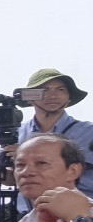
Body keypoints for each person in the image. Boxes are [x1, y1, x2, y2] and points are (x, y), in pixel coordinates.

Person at [9, 68, 93, 205]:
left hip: (76, 210)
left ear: (69, 97)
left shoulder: (88, 132)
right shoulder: (18, 132)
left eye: (61, 90)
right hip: (26, 212)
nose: (53, 96)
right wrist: (10, 174)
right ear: (29, 98)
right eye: (44, 90)